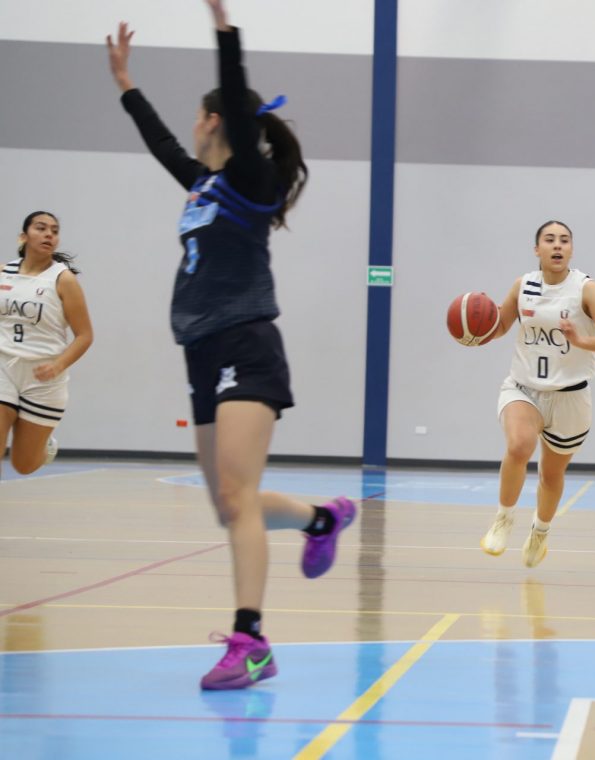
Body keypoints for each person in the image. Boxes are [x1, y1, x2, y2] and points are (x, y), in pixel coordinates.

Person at [105, 1, 355, 690]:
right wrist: (126, 84)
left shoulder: (251, 179)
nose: (192, 124)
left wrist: (225, 34)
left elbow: (243, 120)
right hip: (199, 351)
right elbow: (161, 144)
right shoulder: (203, 184)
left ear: (214, 119)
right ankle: (321, 519)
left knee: (238, 498)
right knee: (227, 503)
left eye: (199, 114)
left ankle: (252, 641)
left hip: (246, 343)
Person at [478, 221, 595, 567]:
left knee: (551, 475)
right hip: (524, 387)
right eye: (550, 240)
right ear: (536, 249)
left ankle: (540, 531)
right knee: (519, 446)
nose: (557, 245)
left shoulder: (587, 290)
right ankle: (503, 518)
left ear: (571, 249)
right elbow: (499, 326)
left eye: (564, 240)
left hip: (570, 396)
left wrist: (581, 340)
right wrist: (474, 330)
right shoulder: (523, 285)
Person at [1, 211, 94, 477]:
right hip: (4, 367)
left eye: (54, 230)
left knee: (23, 465)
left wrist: (58, 365)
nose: (49, 234)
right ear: (23, 237)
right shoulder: (4, 273)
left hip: (43, 377)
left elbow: (85, 335)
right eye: (41, 228)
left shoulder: (63, 279)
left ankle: (45, 447)